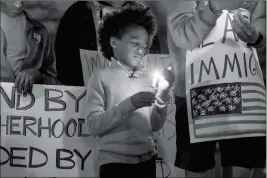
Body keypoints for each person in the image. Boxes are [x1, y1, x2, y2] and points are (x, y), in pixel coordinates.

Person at [164, 0, 266, 177]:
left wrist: (257, 38)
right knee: (198, 167)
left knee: (242, 166)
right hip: (196, 92)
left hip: (245, 90)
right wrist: (214, 7)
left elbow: (262, 23)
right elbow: (181, 35)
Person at [84, 7, 174, 178]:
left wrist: (162, 94)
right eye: (134, 43)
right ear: (113, 42)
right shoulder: (100, 77)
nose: (141, 49)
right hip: (114, 163)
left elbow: (155, 125)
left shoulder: (149, 78)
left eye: (145, 45)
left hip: (148, 159)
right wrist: (131, 104)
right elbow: (93, 126)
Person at [55, 1, 161, 87]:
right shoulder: (78, 12)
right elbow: (64, 62)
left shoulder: (143, 12)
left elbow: (153, 55)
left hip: (136, 92)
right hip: (87, 96)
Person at [1, 0, 58, 95]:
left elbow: (53, 81)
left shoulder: (39, 30)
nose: (19, 3)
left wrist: (37, 76)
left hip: (28, 104)